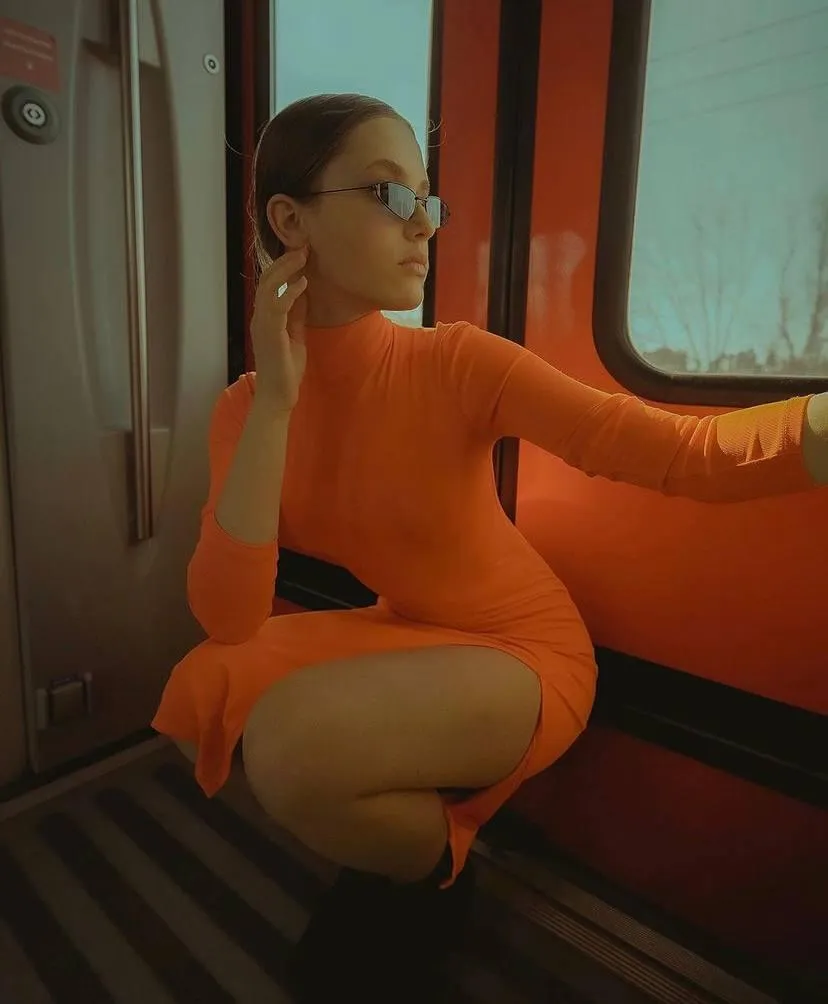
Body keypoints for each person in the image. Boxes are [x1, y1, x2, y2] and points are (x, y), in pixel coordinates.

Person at [151, 93, 828, 1001]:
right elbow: (229, 617)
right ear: (289, 220)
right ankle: (407, 851)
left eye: (429, 199)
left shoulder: (459, 362)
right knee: (216, 673)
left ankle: (433, 870)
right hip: (408, 626)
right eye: (391, 195)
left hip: (523, 649)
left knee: (286, 747)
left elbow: (682, 454)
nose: (423, 224)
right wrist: (276, 400)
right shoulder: (245, 407)